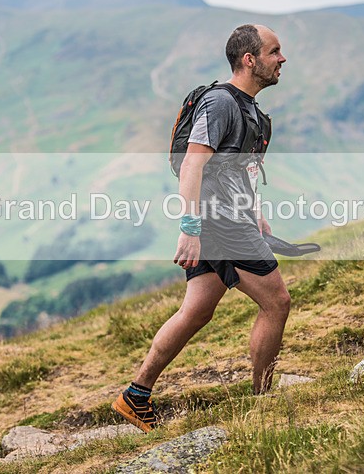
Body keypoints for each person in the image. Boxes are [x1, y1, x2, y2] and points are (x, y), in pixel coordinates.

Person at [112, 24, 291, 433]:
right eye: (274, 51)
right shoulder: (221, 103)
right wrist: (190, 228)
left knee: (196, 311)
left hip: (230, 218)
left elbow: (239, 170)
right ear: (250, 59)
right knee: (277, 302)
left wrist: (255, 211)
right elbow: (193, 163)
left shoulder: (254, 114)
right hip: (217, 223)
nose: (282, 59)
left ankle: (135, 396)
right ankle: (263, 402)